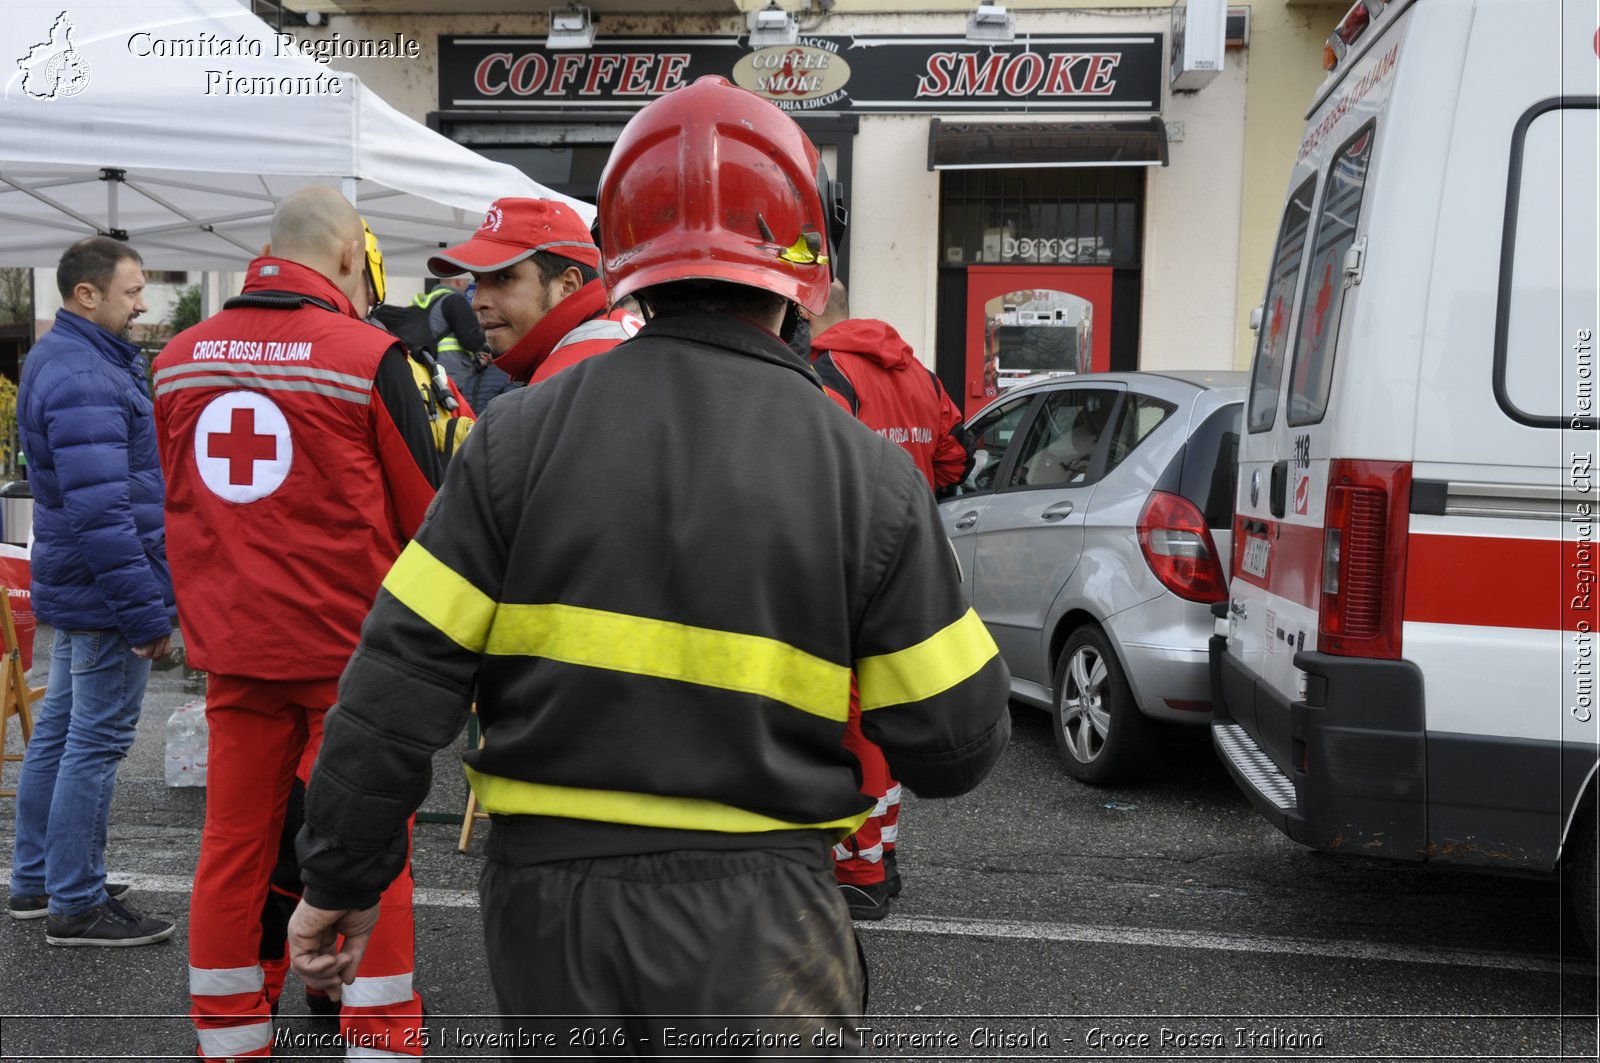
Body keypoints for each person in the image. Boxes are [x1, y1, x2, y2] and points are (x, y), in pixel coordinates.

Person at [287, 75, 1012, 1052]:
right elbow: (955, 744)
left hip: (547, 915)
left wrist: (338, 879)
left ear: (620, 255)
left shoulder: (512, 441)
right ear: (807, 267)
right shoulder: (861, 472)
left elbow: (392, 688)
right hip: (761, 927)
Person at [153, 187, 437, 1061]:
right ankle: (380, 1038)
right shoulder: (370, 355)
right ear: (351, 256)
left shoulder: (176, 359)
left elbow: (179, 502)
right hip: (352, 661)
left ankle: (231, 1038)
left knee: (233, 846)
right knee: (371, 840)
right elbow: (428, 516)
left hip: (234, 651)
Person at [6, 236, 175, 947]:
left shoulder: (72, 358)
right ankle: (74, 901)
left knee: (64, 734)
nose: (143, 305)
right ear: (87, 294)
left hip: (79, 581)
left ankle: (41, 880)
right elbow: (104, 512)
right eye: (133, 291)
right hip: (106, 587)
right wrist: (144, 610)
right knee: (95, 742)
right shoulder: (86, 375)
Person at [804, 279, 976, 921]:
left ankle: (859, 872)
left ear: (811, 310)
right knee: (892, 714)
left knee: (852, 726)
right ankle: (886, 855)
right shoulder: (919, 373)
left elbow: (818, 471)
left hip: (850, 569)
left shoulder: (824, 374)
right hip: (917, 564)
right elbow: (959, 459)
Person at [426, 195, 641, 384]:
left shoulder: (571, 378)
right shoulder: (607, 345)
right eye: (478, 280)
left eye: (504, 277)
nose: (477, 301)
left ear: (567, 285)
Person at [424, 276, 518, 410]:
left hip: (429, 371)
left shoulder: (426, 301)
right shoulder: (455, 300)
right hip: (453, 374)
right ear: (459, 281)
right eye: (470, 281)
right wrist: (488, 347)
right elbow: (470, 339)